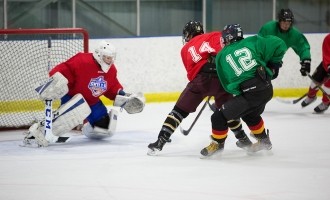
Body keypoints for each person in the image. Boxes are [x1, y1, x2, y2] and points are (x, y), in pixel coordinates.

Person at [147, 21, 252, 156]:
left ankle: (160, 142)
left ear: (188, 35)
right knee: (227, 112)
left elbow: (191, 74)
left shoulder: (185, 49)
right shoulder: (214, 35)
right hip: (222, 77)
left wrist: (205, 88)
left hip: (201, 80)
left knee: (178, 112)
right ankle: (243, 139)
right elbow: (228, 48)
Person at [24, 40, 145, 147]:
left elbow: (112, 87)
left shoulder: (111, 70)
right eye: (107, 57)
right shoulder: (82, 61)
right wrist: (56, 78)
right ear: (99, 55)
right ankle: (38, 131)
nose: (110, 61)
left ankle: (85, 128)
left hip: (93, 103)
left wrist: (124, 97)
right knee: (79, 109)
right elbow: (63, 69)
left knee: (105, 128)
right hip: (72, 98)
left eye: (112, 58)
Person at [200, 24, 287, 157]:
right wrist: (273, 65)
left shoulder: (222, 55)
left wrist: (239, 90)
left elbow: (227, 85)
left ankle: (217, 144)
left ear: (228, 37)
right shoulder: (253, 41)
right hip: (266, 89)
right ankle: (264, 141)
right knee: (249, 115)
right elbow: (279, 43)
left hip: (251, 93)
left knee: (218, 116)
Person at [258, 8, 311, 79]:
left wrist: (306, 60)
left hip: (275, 61)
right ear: (279, 21)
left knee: (271, 75)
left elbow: (303, 47)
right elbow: (258, 43)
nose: (286, 25)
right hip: (262, 58)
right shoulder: (268, 28)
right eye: (284, 22)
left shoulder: (294, 34)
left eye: (288, 23)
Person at [301, 34, 330, 113]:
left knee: (328, 87)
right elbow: (326, 54)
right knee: (315, 81)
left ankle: (325, 102)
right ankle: (311, 97)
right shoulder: (328, 38)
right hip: (326, 64)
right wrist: (328, 66)